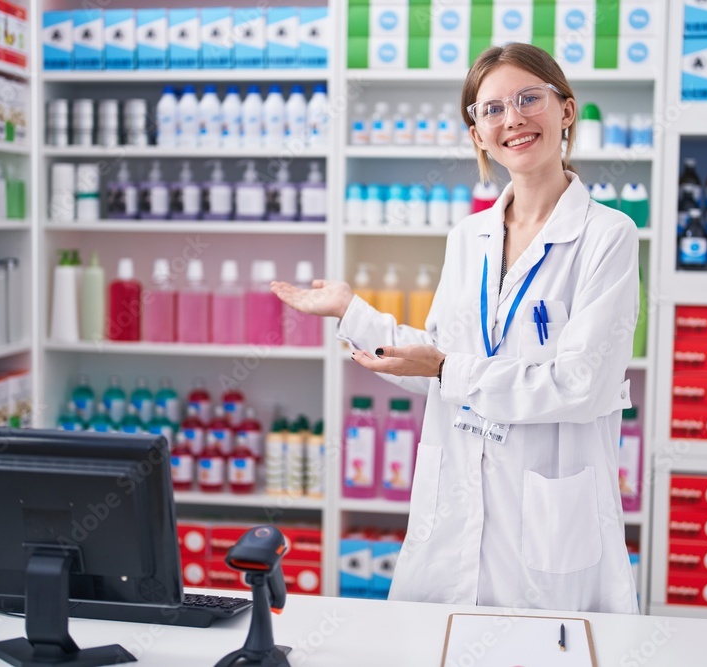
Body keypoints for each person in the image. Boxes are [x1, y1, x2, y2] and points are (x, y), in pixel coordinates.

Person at [271, 43, 639, 614]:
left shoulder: (607, 236)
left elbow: (580, 385)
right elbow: (440, 366)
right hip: (456, 504)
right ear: (477, 134)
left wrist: (448, 368)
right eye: (490, 109)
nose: (512, 118)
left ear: (566, 111)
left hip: (547, 516)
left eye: (528, 99)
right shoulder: (469, 237)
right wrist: (353, 313)